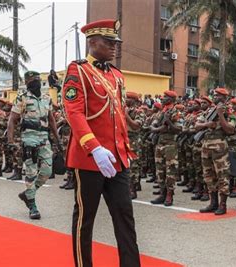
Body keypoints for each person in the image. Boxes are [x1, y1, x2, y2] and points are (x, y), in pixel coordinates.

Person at [62, 19, 140, 267]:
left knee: (125, 218)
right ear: (92, 42)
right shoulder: (79, 70)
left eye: (115, 42)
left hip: (117, 158)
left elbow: (117, 115)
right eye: (109, 42)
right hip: (89, 159)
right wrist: (94, 147)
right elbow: (74, 112)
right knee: (85, 220)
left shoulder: (117, 75)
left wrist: (124, 150)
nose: (114, 46)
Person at [7, 71, 60, 219]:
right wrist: (11, 141)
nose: (35, 82)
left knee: (47, 171)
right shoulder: (22, 98)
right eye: (32, 80)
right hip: (29, 139)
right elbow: (12, 120)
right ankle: (32, 206)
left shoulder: (46, 98)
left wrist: (57, 139)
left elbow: (51, 120)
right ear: (27, 82)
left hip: (44, 138)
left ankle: (28, 194)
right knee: (30, 173)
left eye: (37, 79)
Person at [196, 88, 235, 215]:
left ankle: (222, 205)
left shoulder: (229, 111)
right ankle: (213, 203)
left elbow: (230, 129)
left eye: (218, 96)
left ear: (224, 98)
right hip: (206, 146)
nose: (215, 97)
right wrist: (208, 125)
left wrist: (220, 115)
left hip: (220, 147)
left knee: (222, 175)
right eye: (214, 95)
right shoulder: (209, 110)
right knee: (208, 175)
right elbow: (197, 125)